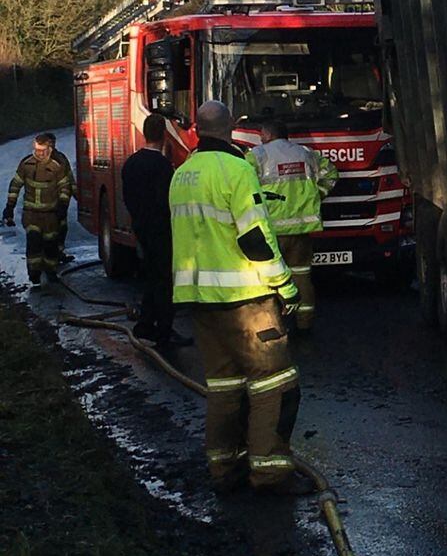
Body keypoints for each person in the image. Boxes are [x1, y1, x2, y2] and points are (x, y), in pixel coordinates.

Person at [169, 100, 307, 495]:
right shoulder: (237, 170)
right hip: (246, 300)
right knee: (273, 383)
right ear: (230, 128)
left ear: (196, 129)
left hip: (201, 302)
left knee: (224, 386)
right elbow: (255, 239)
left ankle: (224, 470)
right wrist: (286, 286)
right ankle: (269, 473)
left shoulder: (182, 175)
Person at [249, 116, 337, 333]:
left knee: (269, 279)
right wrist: (318, 196)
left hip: (272, 231)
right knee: (301, 276)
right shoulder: (306, 154)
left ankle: (274, 325)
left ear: (268, 135)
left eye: (262, 135)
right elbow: (331, 174)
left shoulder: (256, 156)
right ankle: (304, 323)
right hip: (301, 231)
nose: (260, 139)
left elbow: (243, 188)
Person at [121, 112, 192, 351]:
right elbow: (167, 201)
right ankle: (164, 332)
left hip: (141, 227)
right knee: (164, 281)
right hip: (162, 230)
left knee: (152, 276)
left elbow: (127, 198)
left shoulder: (131, 163)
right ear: (164, 135)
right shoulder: (162, 166)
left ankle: (145, 325)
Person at [3, 131, 73, 288]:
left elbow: (64, 186)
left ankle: (50, 271)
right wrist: (9, 208)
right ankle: (34, 274)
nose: (39, 154)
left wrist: (63, 205)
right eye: (37, 150)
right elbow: (15, 185)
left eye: (42, 151)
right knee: (33, 242)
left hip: (51, 216)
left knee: (50, 244)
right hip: (31, 215)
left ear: (49, 149)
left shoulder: (57, 165)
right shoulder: (26, 164)